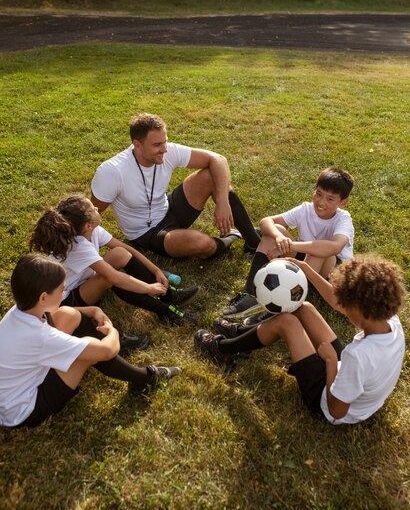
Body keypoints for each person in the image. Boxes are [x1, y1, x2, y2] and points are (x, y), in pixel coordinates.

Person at [195, 256, 406, 425]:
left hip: (325, 399)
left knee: (286, 322)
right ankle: (242, 333)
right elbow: (336, 303)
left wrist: (331, 363)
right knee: (303, 308)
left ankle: (223, 349)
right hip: (348, 378)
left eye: (347, 306)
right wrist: (307, 270)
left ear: (361, 310)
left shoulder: (358, 356)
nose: (342, 308)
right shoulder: (390, 321)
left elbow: (337, 411)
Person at [0, 254, 181, 428]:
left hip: (12, 395)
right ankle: (144, 378)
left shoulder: (20, 310)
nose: (64, 294)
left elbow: (55, 314)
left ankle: (136, 375)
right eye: (62, 290)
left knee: (68, 314)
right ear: (43, 297)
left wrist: (92, 310)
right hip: (25, 410)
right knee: (89, 349)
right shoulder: (41, 337)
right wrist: (112, 331)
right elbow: (106, 350)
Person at [91, 113, 260, 259]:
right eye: (157, 145)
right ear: (137, 144)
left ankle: (253, 242)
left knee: (211, 175)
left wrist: (223, 202)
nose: (164, 149)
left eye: (165, 141)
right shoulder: (113, 171)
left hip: (169, 207)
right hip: (147, 232)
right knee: (201, 244)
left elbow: (218, 160)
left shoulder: (167, 150)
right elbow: (89, 215)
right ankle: (230, 237)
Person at [29, 195, 199, 330]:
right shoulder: (77, 247)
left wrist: (156, 271)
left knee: (119, 254)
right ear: (87, 225)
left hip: (82, 283)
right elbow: (115, 277)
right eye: (93, 209)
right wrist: (149, 288)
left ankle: (169, 295)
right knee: (107, 277)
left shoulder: (92, 230)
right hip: (65, 304)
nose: (97, 209)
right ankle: (165, 311)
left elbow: (126, 249)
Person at [223, 166, 354, 321]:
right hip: (305, 262)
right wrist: (279, 237)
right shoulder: (306, 209)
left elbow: (334, 247)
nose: (321, 202)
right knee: (274, 231)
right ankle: (251, 294)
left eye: (330, 199)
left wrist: (291, 246)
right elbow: (266, 221)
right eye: (318, 194)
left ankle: (283, 306)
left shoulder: (343, 219)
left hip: (332, 275)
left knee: (319, 250)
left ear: (343, 202)